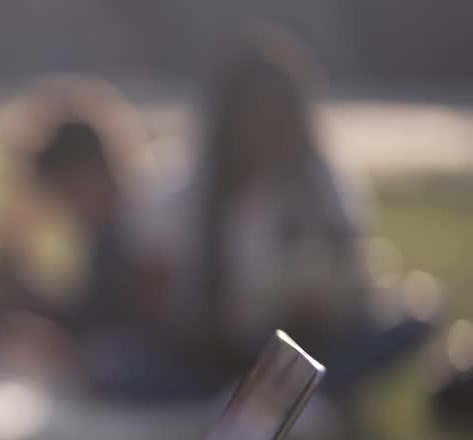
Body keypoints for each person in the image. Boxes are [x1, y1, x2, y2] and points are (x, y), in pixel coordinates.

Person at [141, 24, 433, 401]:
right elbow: (151, 299)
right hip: (207, 356)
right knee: (123, 364)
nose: (264, 127)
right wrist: (209, 323)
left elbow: (355, 276)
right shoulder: (186, 186)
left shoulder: (321, 181)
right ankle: (290, 402)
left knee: (416, 316)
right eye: (253, 112)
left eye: (277, 113)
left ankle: (295, 399)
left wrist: (317, 303)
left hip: (310, 348)